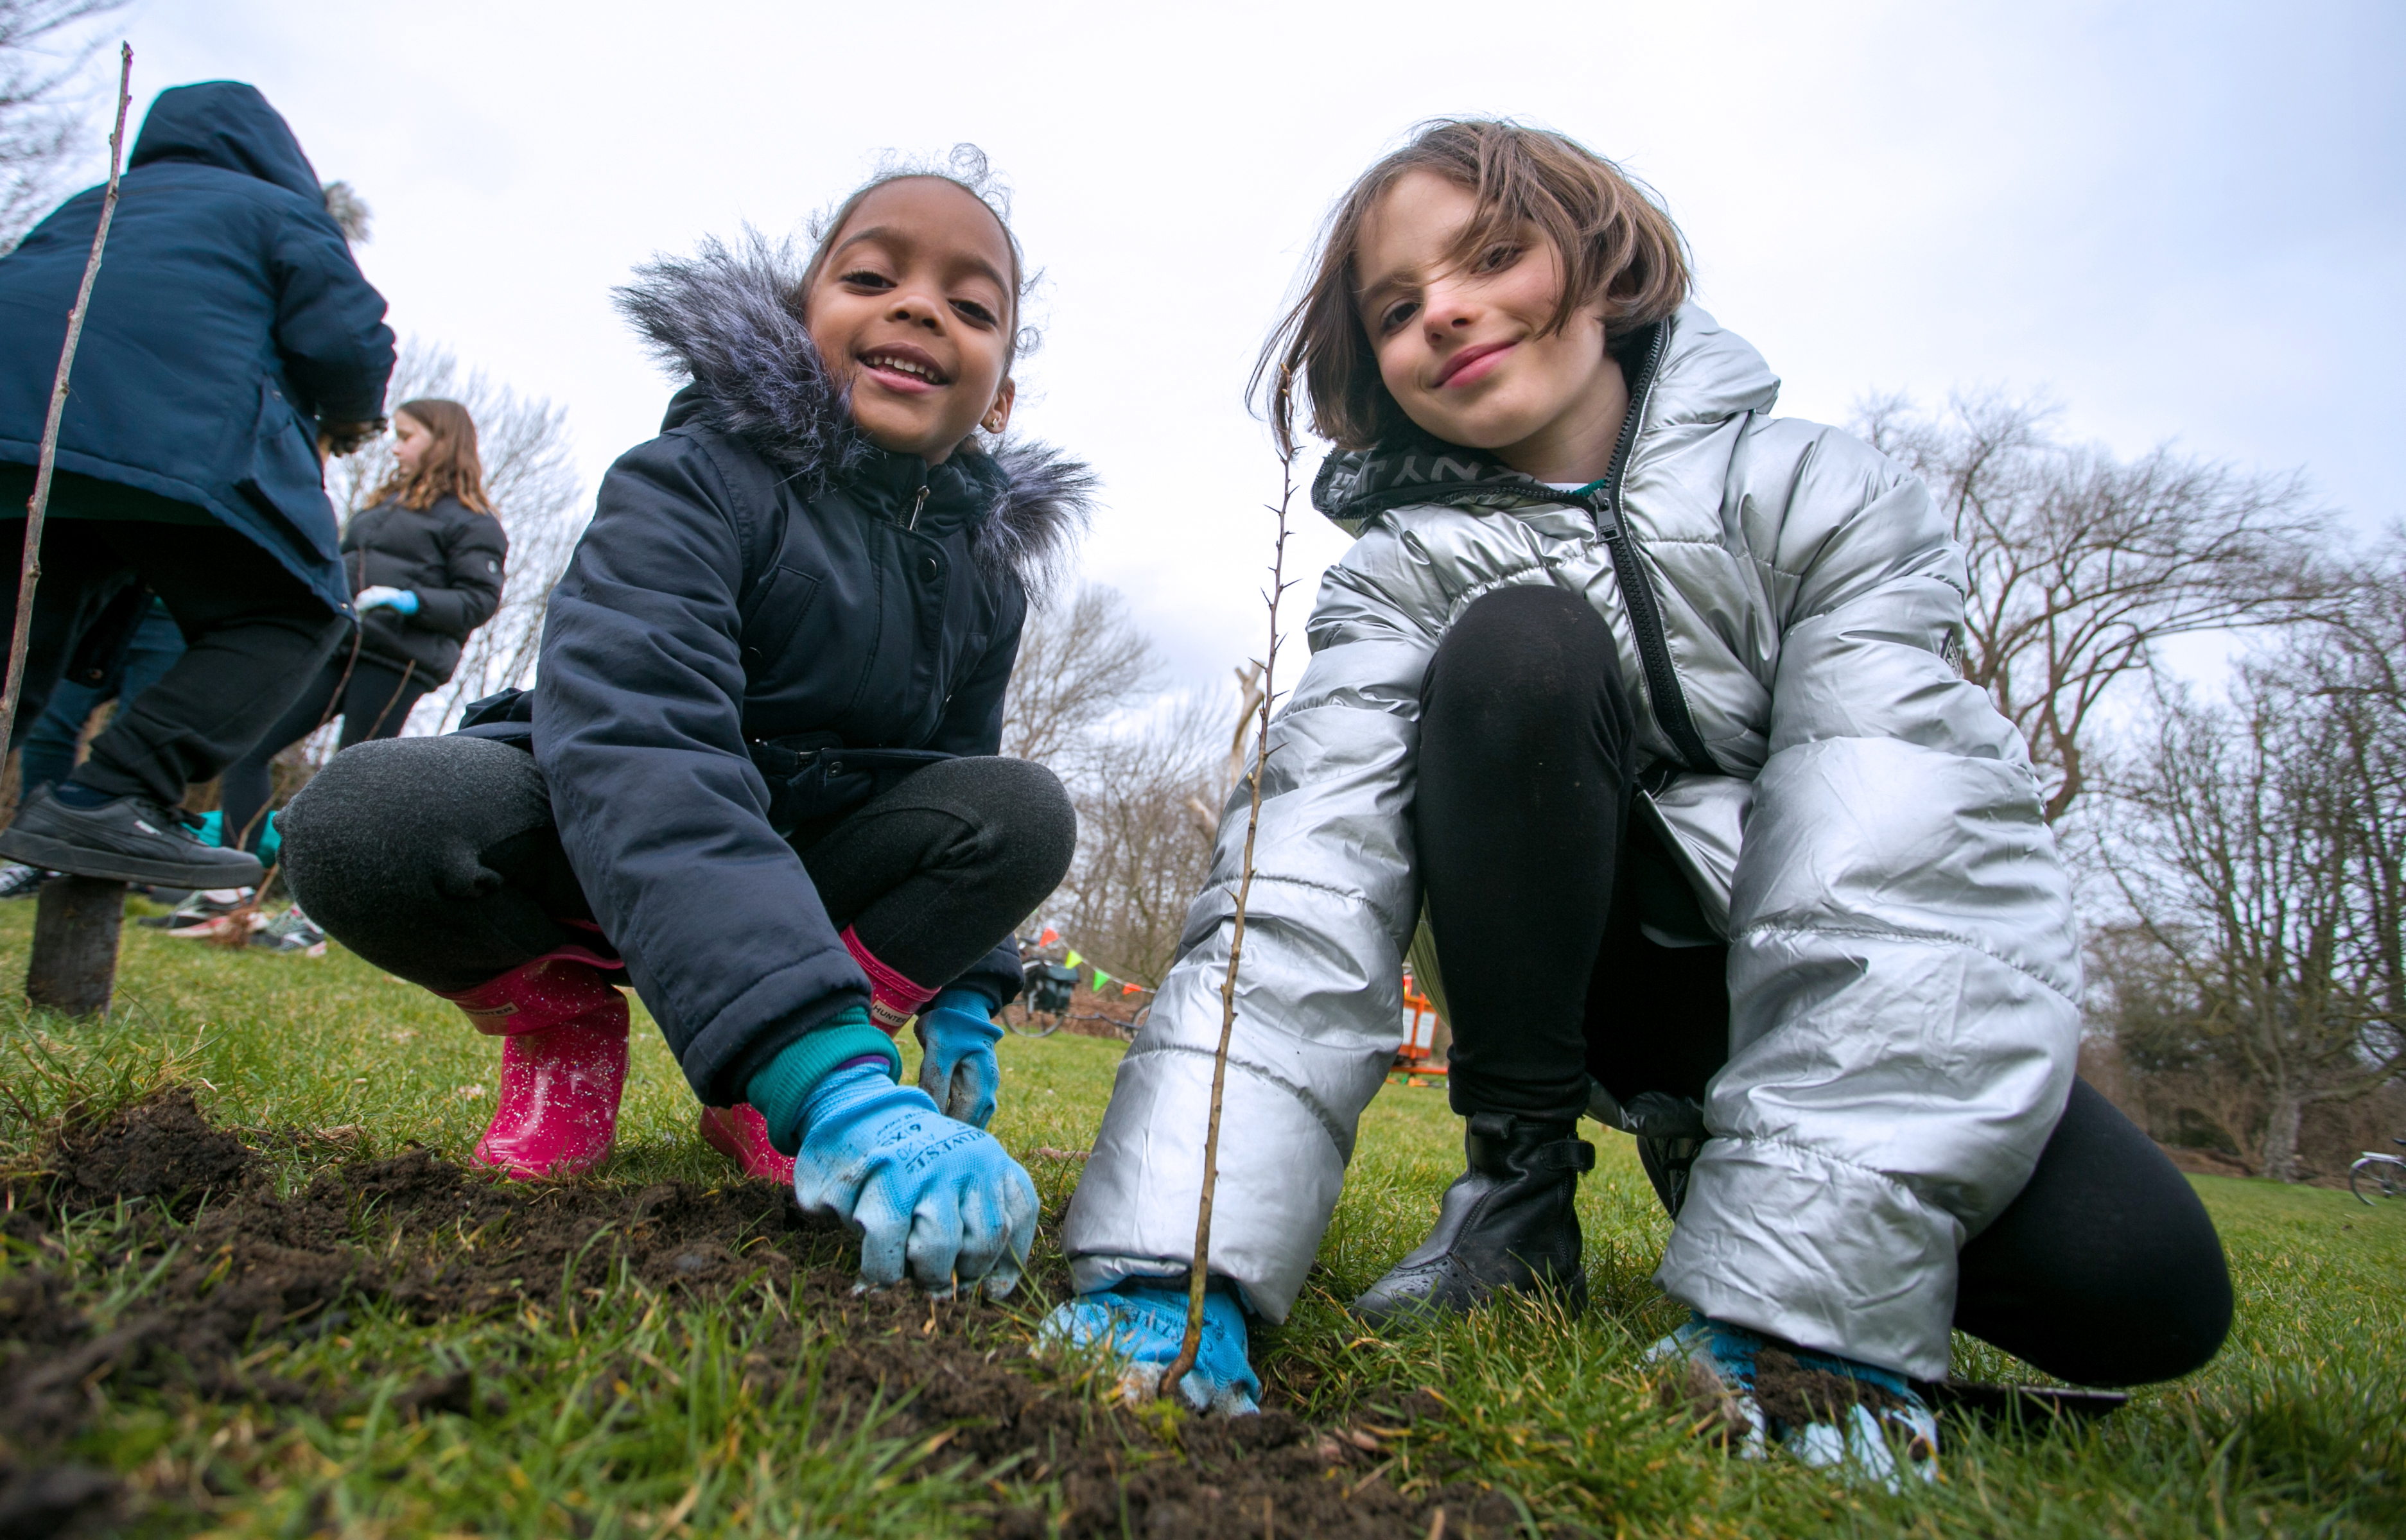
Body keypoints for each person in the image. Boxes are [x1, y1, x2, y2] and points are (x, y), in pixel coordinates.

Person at [1047, 121, 2232, 1474]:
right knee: (1521, 644)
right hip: (1573, 985)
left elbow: (1896, 863)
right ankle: (1518, 1187)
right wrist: (1174, 1255)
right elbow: (1302, 886)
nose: (1443, 306)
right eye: (1394, 306)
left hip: (1786, 983)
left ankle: (1730, 1174)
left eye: (1489, 256)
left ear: (1603, 265)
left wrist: (1806, 1304)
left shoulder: (1816, 493)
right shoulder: (1397, 575)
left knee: (2145, 1284)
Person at [280, 159, 1086, 1301]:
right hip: (597, 830)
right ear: (802, 318)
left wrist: (969, 991)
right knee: (367, 821)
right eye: (872, 275)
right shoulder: (687, 482)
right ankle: (578, 1021)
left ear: (998, 395)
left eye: (971, 304)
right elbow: (644, 745)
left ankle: (753, 1090)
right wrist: (835, 1075)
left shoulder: (985, 578)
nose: (918, 306)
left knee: (1021, 810)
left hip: (808, 865)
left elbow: (955, 771)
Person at [0, 81, 393, 892]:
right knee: (291, 609)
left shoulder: (95, 199)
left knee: (19, 638)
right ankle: (113, 793)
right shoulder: (279, 212)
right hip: (164, 436)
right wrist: (352, 419)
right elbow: (349, 337)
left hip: (17, 435)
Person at [219, 399, 508, 853]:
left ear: (442, 442)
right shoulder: (383, 506)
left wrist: (409, 601)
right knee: (246, 747)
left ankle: (309, 916)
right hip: (341, 646)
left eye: (406, 437)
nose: (395, 449)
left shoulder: (473, 523)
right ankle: (231, 884)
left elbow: (479, 599)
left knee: (349, 786)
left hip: (397, 661)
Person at [0, 593, 186, 897]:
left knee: (134, 743)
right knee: (48, 722)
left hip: (177, 614)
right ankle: (39, 848)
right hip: (110, 601)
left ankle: (107, 852)